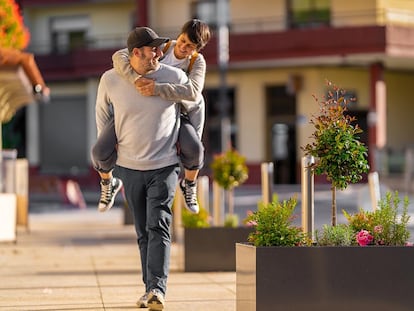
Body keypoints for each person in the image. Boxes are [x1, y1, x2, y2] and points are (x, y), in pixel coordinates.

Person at [94, 26, 191, 310]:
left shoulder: (172, 76)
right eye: (153, 49)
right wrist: (111, 158)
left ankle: (158, 290)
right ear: (135, 53)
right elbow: (103, 119)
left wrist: (190, 147)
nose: (160, 54)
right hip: (129, 168)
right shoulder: (111, 80)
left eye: (161, 48)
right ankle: (149, 289)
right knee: (142, 232)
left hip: (165, 165)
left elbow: (195, 101)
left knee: (158, 224)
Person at [91, 19, 211, 213]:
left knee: (196, 149)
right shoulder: (161, 46)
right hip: (133, 109)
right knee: (99, 151)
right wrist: (136, 79)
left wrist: (158, 89)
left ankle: (189, 184)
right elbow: (119, 56)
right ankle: (108, 183)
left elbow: (194, 93)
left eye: (189, 46)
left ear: (197, 49)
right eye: (182, 40)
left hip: (175, 113)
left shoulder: (197, 62)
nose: (182, 47)